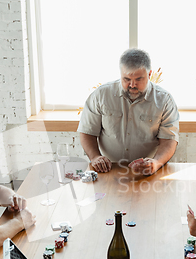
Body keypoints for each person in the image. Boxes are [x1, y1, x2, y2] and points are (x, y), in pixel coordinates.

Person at [77, 48, 179, 176]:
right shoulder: (101, 95)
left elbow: (169, 140)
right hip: (109, 170)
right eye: (126, 79)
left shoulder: (164, 100)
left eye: (138, 79)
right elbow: (87, 131)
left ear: (149, 74)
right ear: (120, 74)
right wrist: (95, 157)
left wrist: (156, 163)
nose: (132, 85)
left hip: (148, 171)